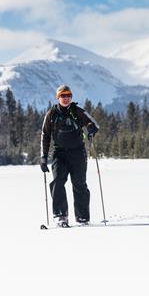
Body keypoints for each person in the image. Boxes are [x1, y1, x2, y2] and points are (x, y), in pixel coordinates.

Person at [40, 85, 99, 227]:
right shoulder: (51, 114)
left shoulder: (77, 111)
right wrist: (43, 157)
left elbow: (94, 124)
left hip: (78, 153)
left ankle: (82, 218)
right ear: (58, 97)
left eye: (68, 95)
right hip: (59, 153)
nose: (66, 98)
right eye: (63, 96)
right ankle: (60, 216)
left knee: (79, 184)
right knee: (58, 182)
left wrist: (91, 129)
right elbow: (45, 136)